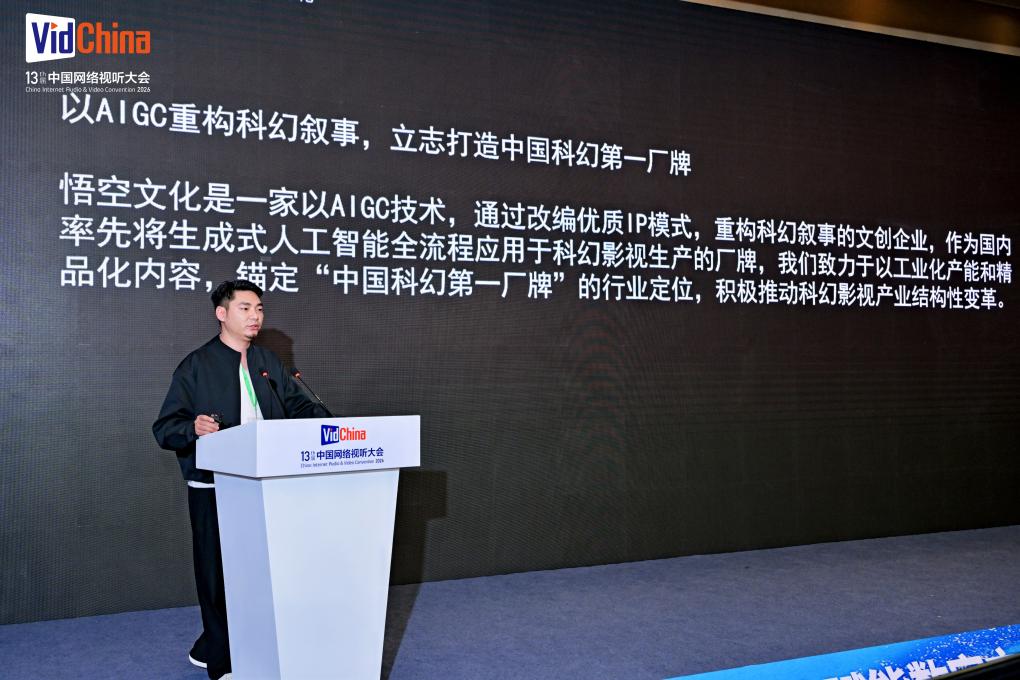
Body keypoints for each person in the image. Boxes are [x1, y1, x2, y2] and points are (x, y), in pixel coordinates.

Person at [152, 279, 330, 680]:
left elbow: (300, 407)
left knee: (264, 574)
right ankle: (223, 661)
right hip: (216, 487)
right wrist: (192, 428)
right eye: (245, 308)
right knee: (218, 576)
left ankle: (237, 644)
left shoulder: (268, 361)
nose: (255, 316)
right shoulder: (197, 365)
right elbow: (164, 428)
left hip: (269, 486)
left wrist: (330, 428)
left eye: (259, 309)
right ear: (222, 313)